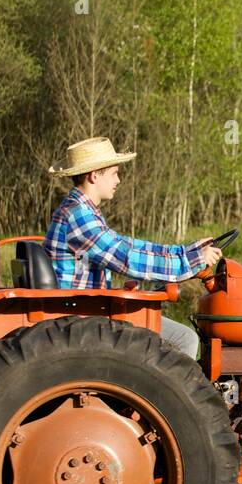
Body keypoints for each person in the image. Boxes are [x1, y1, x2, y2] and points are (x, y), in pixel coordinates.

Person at [45, 136, 221, 358]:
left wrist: (186, 251)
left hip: (91, 309)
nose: (118, 180)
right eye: (114, 173)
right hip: (82, 317)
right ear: (94, 175)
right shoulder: (78, 215)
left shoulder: (83, 211)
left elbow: (129, 245)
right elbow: (126, 258)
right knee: (184, 339)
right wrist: (188, 263)